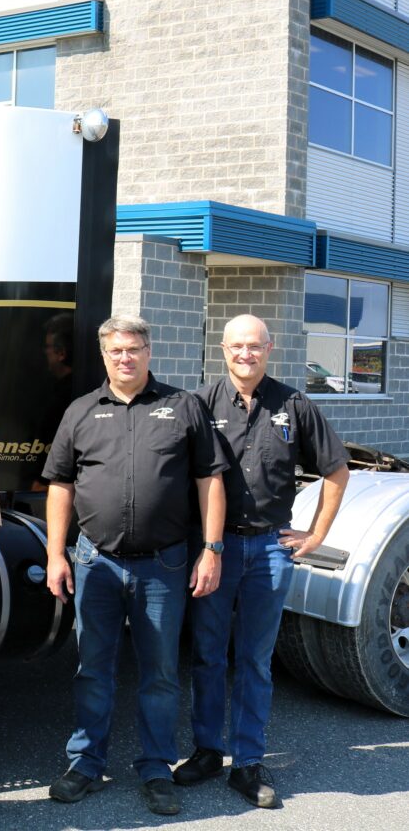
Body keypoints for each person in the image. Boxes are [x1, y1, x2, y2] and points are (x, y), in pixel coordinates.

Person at [42, 315, 225, 818]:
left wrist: (212, 549)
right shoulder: (80, 411)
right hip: (95, 562)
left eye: (135, 349)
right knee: (92, 670)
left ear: (149, 350)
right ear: (104, 355)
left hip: (163, 566)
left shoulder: (182, 407)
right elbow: (61, 485)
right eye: (117, 350)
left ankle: (155, 768)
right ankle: (85, 763)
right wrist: (56, 553)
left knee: (161, 673)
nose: (126, 358)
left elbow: (210, 480)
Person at [174, 314, 350, 808]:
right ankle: (207, 750)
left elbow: (337, 472)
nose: (245, 354)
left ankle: (248, 762)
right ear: (223, 350)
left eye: (255, 346)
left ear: (269, 349)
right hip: (214, 550)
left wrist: (316, 534)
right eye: (237, 346)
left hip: (271, 550)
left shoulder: (293, 405)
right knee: (208, 654)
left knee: (254, 660)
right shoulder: (200, 404)